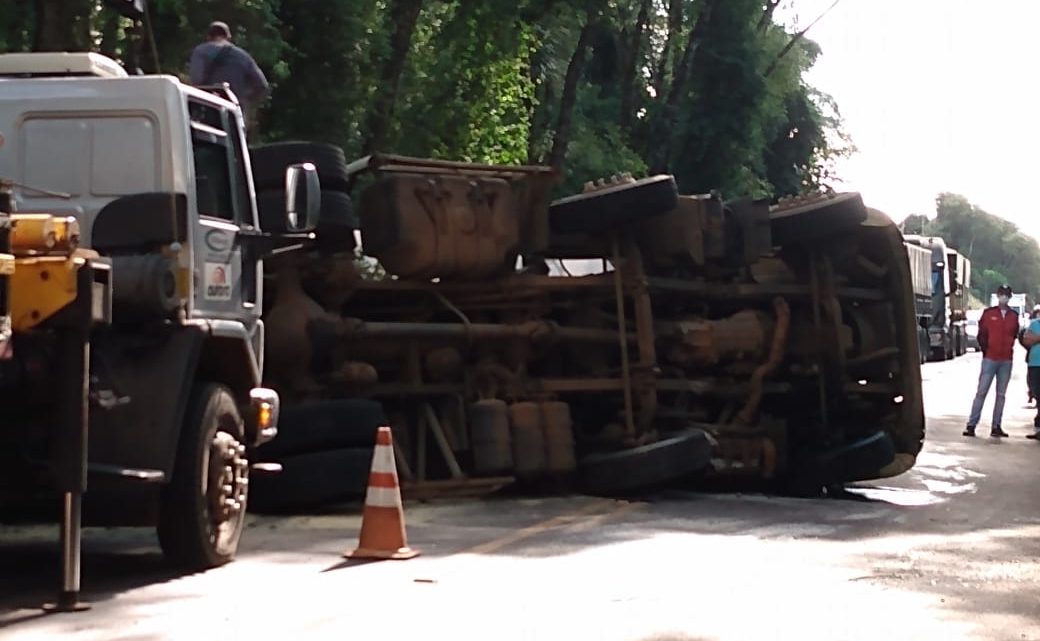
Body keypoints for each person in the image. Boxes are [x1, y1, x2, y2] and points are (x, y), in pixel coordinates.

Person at [188, 21, 270, 127]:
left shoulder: (200, 52)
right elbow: (262, 85)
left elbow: (197, 80)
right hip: (234, 113)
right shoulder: (243, 56)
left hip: (207, 111)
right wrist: (243, 98)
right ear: (228, 37)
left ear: (208, 37)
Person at [964, 284, 1019, 438]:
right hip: (990, 358)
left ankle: (996, 426)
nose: (1004, 297)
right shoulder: (988, 314)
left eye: (1006, 294)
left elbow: (1014, 334)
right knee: (981, 392)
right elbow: (981, 334)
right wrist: (986, 350)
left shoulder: (1013, 316)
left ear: (1009, 297)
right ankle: (971, 425)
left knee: (1001, 395)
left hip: (1006, 359)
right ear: (998, 295)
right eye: (1002, 294)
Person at [1021, 307, 1040, 440]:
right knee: (1037, 393)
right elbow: (1026, 340)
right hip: (1034, 364)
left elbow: (1032, 339)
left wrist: (1037, 338)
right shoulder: (1034, 324)